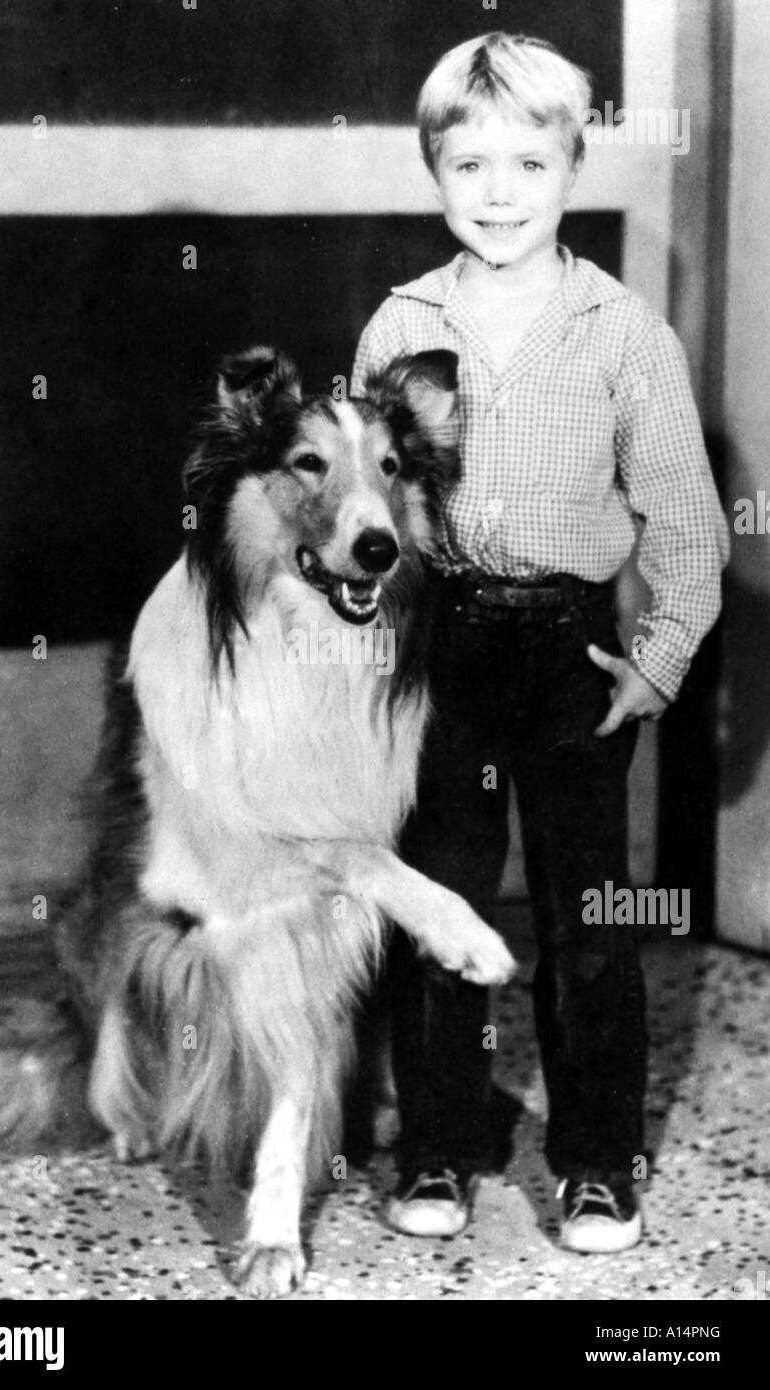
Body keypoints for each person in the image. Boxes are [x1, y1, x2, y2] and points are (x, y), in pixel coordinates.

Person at [351, 31, 729, 1253]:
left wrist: (658, 659)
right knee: (441, 908)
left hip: (572, 659)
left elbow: (682, 522)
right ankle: (441, 1148)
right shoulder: (396, 324)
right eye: (469, 165)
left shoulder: (622, 334)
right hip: (440, 652)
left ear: (573, 165)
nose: (498, 193)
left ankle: (596, 1166)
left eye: (528, 161)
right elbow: (367, 514)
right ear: (432, 171)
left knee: (590, 925)